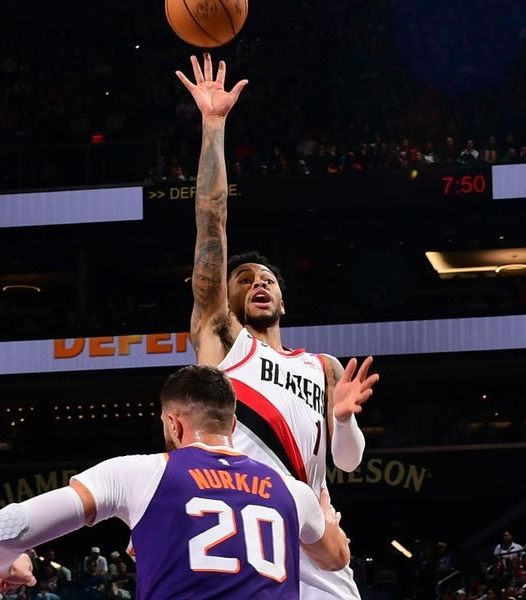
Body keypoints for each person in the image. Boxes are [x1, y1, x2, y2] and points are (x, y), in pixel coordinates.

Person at [178, 52, 379, 600]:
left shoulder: (323, 366)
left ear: (284, 300)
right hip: (241, 524)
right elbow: (210, 217)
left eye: (267, 279)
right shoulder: (221, 339)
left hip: (313, 529)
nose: (257, 284)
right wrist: (213, 126)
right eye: (244, 279)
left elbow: (347, 461)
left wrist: (342, 420)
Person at [0, 365, 350, 599]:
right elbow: (335, 559)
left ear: (173, 424)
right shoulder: (292, 491)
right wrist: (328, 518)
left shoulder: (139, 474)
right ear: (233, 424)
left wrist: (6, 564)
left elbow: (4, 527)